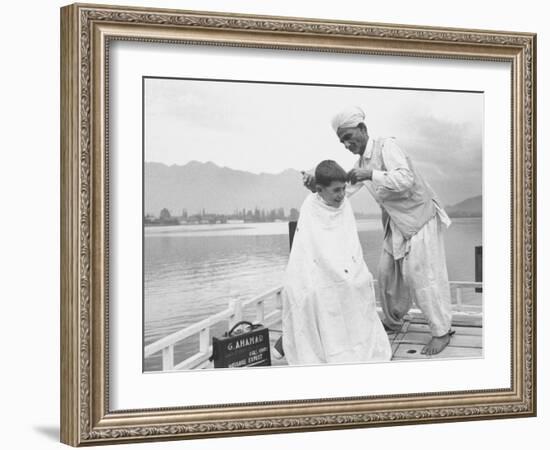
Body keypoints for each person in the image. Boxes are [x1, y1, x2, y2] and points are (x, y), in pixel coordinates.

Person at [304, 106, 454, 356]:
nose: (346, 144)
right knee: (385, 274)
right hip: (396, 224)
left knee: (424, 277)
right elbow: (341, 194)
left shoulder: (386, 147)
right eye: (342, 141)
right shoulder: (360, 164)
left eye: (349, 137)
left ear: (363, 130)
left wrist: (371, 174)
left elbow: (405, 179)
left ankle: (442, 332)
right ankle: (394, 321)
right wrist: (316, 187)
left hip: (420, 218)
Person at [281, 160, 392, 366]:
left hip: (345, 269)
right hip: (315, 272)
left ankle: (355, 344)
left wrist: (347, 272)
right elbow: (310, 250)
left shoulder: (344, 204)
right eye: (336, 191)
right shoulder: (310, 207)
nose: (341, 195)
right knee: (315, 293)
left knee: (360, 283)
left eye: (343, 189)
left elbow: (349, 244)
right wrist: (332, 272)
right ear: (319, 190)